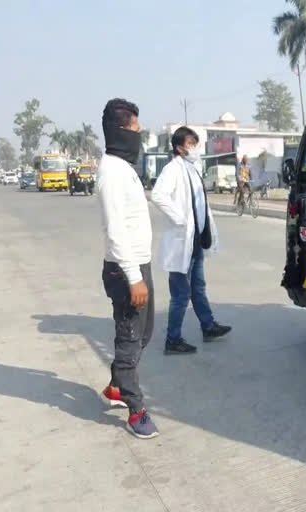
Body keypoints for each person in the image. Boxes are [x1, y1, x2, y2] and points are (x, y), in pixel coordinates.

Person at [96, 98, 158, 439]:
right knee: (130, 339)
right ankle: (136, 412)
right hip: (125, 271)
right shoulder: (111, 174)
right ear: (121, 130)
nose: (139, 134)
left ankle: (117, 387)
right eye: (135, 128)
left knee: (143, 334)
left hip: (138, 266)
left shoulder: (124, 169)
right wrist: (135, 278)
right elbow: (116, 231)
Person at [151, 126, 230, 355]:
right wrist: (180, 219)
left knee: (198, 288)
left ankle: (208, 326)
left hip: (195, 241)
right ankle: (172, 340)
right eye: (190, 144)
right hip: (182, 241)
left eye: (195, 143)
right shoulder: (172, 169)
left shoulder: (192, 168)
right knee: (180, 294)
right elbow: (158, 195)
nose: (194, 148)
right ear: (179, 148)